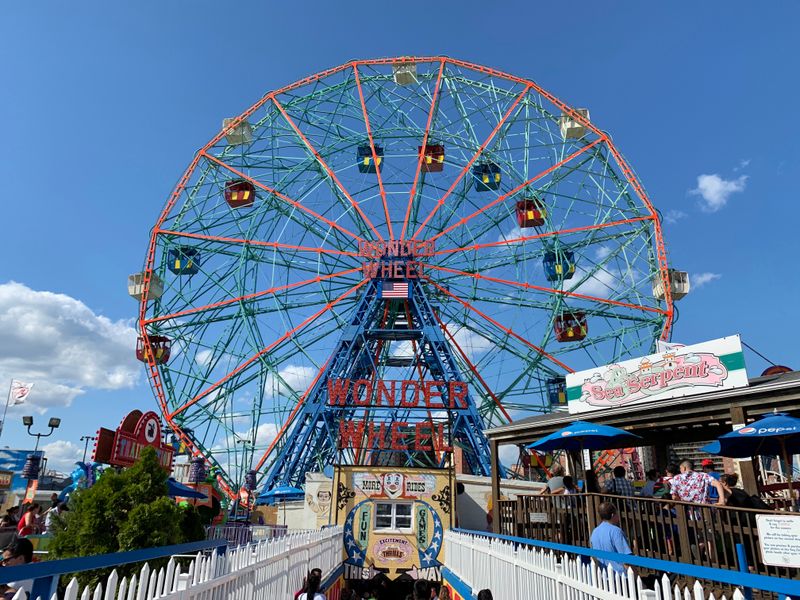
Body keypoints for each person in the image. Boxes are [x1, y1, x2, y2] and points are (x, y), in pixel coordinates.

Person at [590, 502, 633, 575]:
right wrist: (636, 577)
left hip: (603, 575)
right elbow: (626, 560)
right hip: (620, 576)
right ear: (613, 515)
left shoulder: (594, 532)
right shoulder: (616, 531)